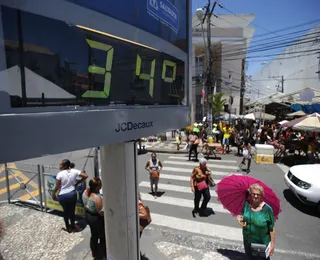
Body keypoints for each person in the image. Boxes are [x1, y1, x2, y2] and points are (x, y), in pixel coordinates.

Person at [237, 183, 275, 259]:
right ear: (250, 194)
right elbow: (243, 217)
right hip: (247, 240)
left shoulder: (267, 210)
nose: (255, 196)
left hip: (261, 243)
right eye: (253, 194)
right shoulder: (246, 205)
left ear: (262, 195)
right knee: (249, 257)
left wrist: (272, 244)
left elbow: (272, 228)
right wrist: (240, 220)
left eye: (258, 194)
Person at [53, 159, 88, 233]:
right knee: (72, 211)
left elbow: (57, 187)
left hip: (63, 196)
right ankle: (73, 227)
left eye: (60, 165)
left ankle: (68, 227)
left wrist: (53, 194)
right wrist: (77, 183)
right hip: (72, 194)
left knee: (65, 212)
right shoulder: (74, 171)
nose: (59, 166)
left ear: (64, 166)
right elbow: (85, 176)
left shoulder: (60, 174)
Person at [82, 177, 106, 260]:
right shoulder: (97, 198)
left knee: (94, 236)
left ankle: (94, 253)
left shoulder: (85, 192)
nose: (101, 187)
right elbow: (101, 213)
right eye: (100, 185)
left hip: (88, 216)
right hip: (96, 219)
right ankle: (104, 255)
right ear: (97, 187)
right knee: (102, 237)